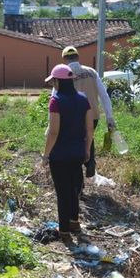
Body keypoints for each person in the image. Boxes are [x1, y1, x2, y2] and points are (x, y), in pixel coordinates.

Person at [42, 64, 94, 242]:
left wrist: (46, 155)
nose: (53, 85)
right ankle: (74, 222)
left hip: (59, 155)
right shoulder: (83, 99)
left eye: (53, 81)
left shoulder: (56, 101)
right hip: (77, 152)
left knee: (62, 192)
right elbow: (89, 129)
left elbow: (53, 132)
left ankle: (64, 231)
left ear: (58, 81)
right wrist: (87, 150)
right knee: (74, 189)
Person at [61, 46, 116, 178]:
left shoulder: (64, 73)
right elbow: (104, 96)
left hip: (73, 116)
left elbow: (55, 97)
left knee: (75, 142)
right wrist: (110, 117)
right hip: (93, 115)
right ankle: (90, 163)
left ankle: (77, 171)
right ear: (78, 57)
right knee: (88, 138)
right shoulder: (91, 72)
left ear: (64, 59)